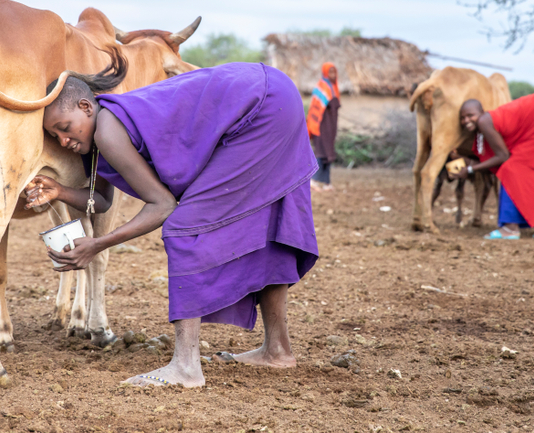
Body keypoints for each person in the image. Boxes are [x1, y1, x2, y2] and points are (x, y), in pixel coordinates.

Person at [26, 58, 319, 388]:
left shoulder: (107, 127)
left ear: (85, 107)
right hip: (274, 93)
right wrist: (61, 191)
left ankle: (186, 366)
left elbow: (163, 206)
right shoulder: (100, 136)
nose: (63, 141)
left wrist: (97, 245)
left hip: (262, 105)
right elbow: (102, 201)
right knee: (264, 224)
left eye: (64, 127)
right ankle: (277, 350)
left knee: (184, 229)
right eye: (54, 135)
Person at [457, 91, 534, 240]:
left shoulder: (484, 121)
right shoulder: (484, 125)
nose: (466, 121)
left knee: (512, 169)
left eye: (470, 115)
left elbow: (503, 156)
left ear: (482, 112)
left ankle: (510, 228)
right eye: (462, 118)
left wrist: (470, 169)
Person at [306, 63, 340, 191]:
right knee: (321, 153)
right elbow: (315, 111)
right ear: (325, 73)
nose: (332, 75)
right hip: (321, 128)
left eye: (334, 72)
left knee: (329, 154)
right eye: (330, 72)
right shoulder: (321, 88)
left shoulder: (334, 89)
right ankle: (312, 180)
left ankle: (327, 183)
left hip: (330, 129)